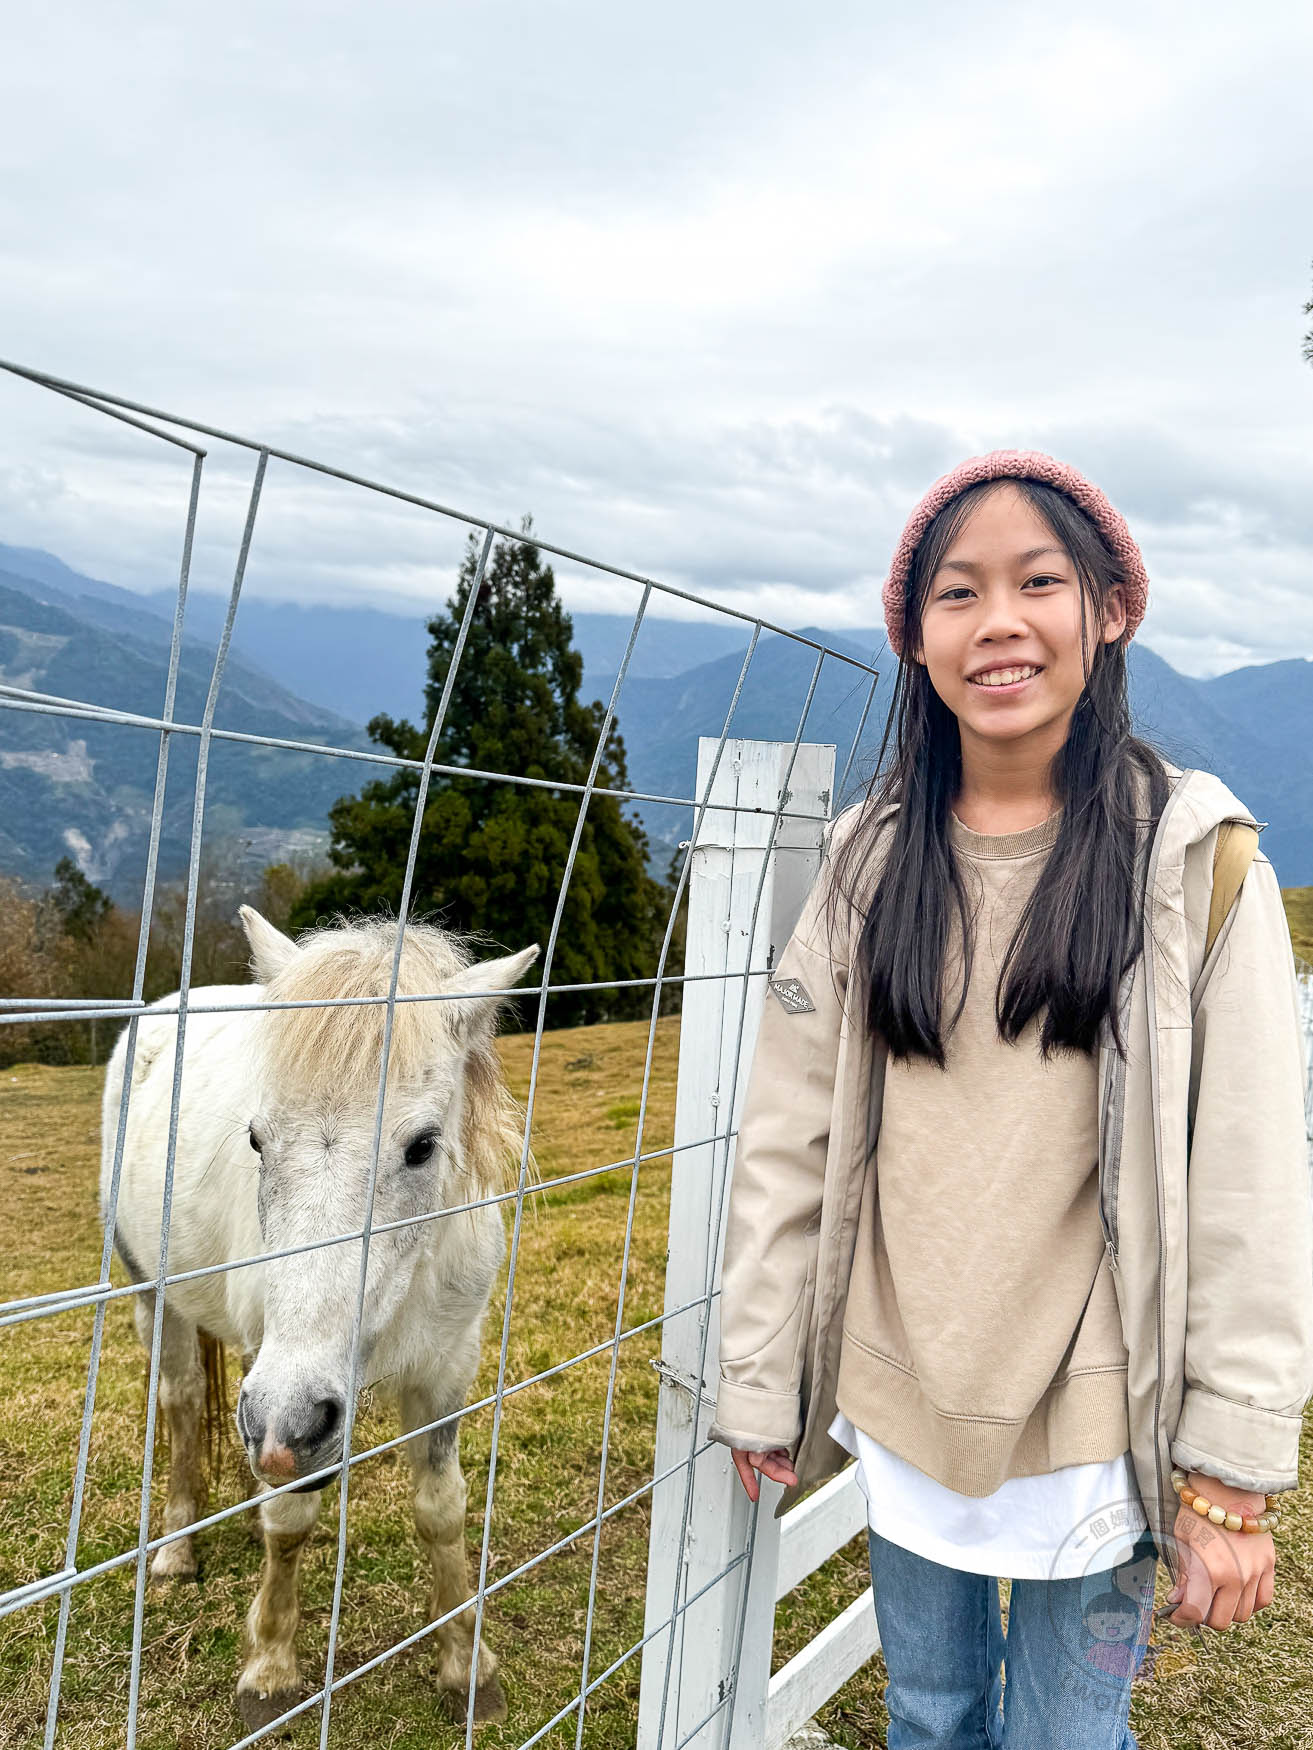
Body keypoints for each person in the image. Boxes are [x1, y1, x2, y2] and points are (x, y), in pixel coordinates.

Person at [708, 450, 1313, 1748]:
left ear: (1105, 610)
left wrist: (1231, 1471)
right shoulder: (870, 861)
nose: (997, 621)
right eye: (955, 592)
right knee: (926, 1718)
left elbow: (1250, 1189)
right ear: (913, 639)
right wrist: (762, 1377)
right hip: (901, 1391)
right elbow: (787, 1141)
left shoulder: (1194, 863)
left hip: (1094, 1423)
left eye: (1036, 580)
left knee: (1064, 1736)